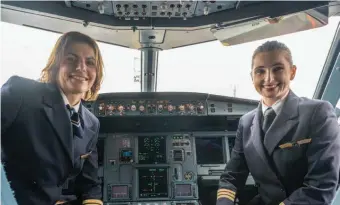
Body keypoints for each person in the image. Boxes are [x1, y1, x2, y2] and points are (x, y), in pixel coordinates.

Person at [216, 41, 340, 205]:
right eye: (260, 71)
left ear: (292, 72)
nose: (269, 78)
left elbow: (321, 186)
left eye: (277, 69)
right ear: (252, 76)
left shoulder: (318, 113)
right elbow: (231, 176)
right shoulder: (246, 123)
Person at [1, 31, 104, 205]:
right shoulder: (21, 93)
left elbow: (89, 182)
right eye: (71, 59)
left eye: (90, 62)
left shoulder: (91, 123)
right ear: (56, 65)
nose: (81, 68)